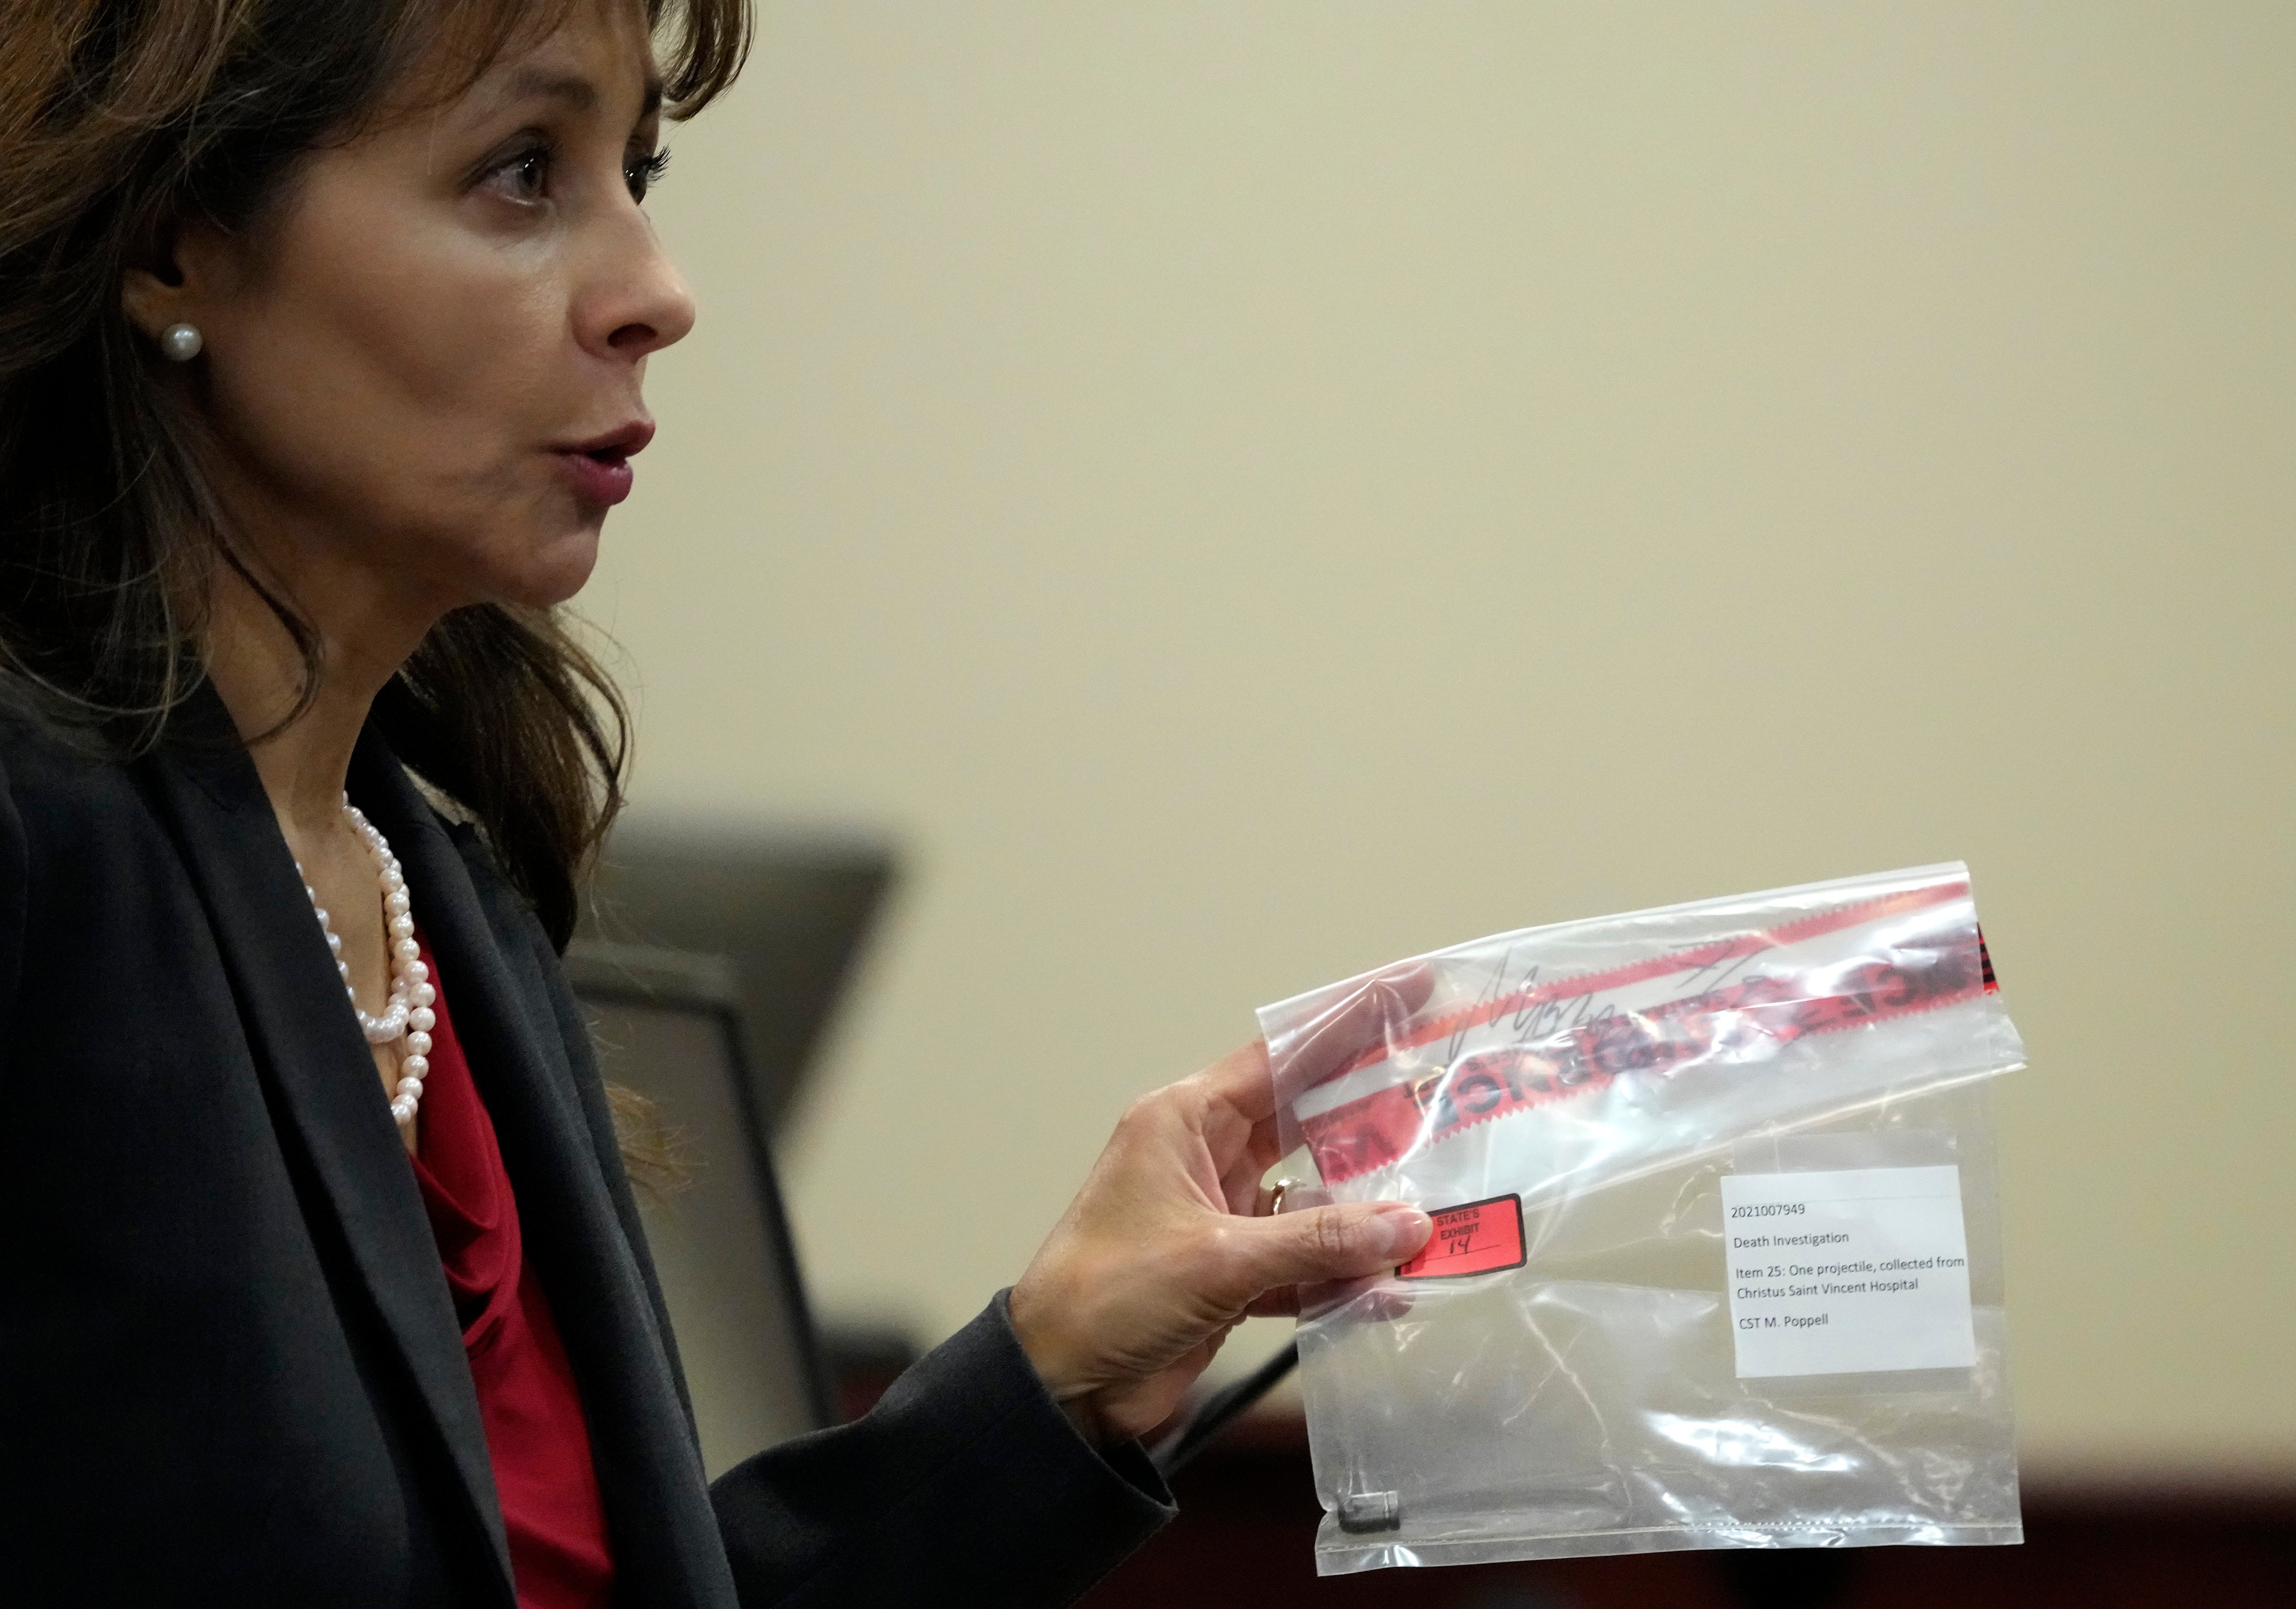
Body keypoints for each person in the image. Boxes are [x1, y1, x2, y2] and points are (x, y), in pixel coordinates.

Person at [0, 1, 1435, 1604]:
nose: (656, 293)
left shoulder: (444, 897)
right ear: (172, 240)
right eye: (522, 173)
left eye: (639, 168)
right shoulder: (41, 846)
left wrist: (1053, 1382)